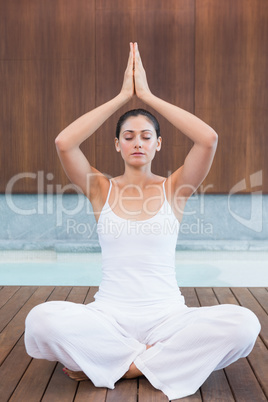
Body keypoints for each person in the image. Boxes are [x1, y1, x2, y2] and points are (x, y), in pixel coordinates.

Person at [24, 43, 260, 400]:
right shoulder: (100, 188)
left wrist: (148, 95)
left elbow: (208, 138)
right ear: (117, 145)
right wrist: (122, 96)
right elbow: (64, 142)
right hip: (108, 318)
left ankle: (122, 367)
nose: (138, 142)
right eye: (128, 136)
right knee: (39, 320)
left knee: (245, 325)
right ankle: (156, 364)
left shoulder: (175, 189)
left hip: (168, 319)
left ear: (158, 145)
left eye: (146, 136)